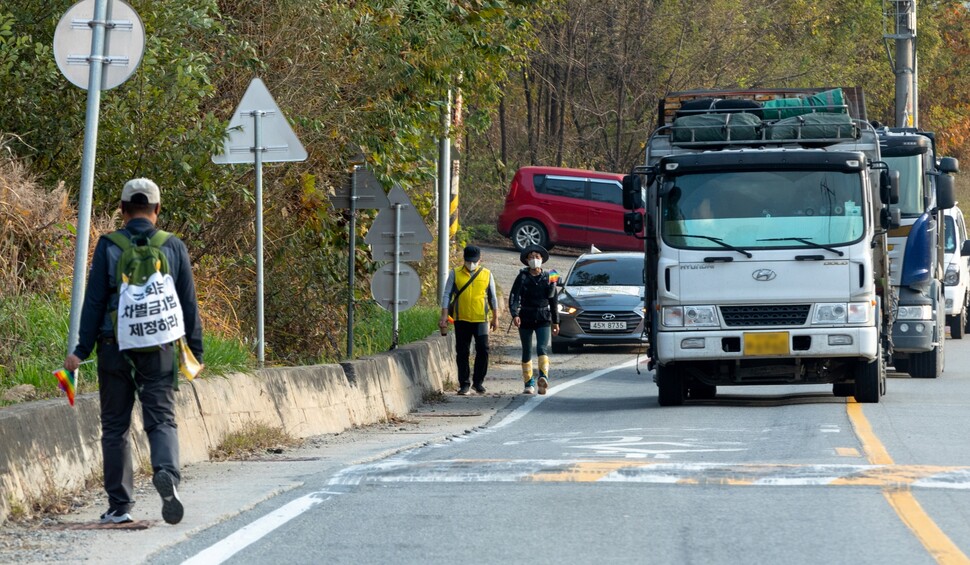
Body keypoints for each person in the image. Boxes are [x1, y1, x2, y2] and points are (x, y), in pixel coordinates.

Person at [63, 178, 203, 525]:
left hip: (114, 346)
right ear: (157, 210)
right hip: (160, 348)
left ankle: (119, 506)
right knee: (162, 419)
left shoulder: (108, 245)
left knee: (114, 426)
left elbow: (94, 302)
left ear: (122, 210)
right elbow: (188, 304)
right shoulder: (172, 246)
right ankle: (167, 474)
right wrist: (195, 350)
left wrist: (80, 350)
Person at [439, 245, 499, 395]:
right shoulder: (455, 274)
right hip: (461, 319)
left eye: (474, 261)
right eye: (468, 261)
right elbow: (447, 295)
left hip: (481, 319)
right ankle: (464, 383)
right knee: (462, 351)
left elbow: (492, 297)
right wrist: (444, 315)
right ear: (464, 260)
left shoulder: (487, 274)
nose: (471, 264)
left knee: (483, 349)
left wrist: (495, 317)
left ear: (480, 260)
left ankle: (478, 382)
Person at [508, 244, 560, 395]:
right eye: (531, 257)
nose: (534, 260)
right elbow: (514, 297)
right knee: (526, 350)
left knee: (542, 348)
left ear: (542, 259)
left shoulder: (550, 277)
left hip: (543, 317)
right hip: (525, 317)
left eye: (537, 257)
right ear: (526, 260)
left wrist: (555, 322)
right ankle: (528, 382)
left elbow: (554, 301)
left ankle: (543, 378)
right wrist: (515, 315)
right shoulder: (522, 277)